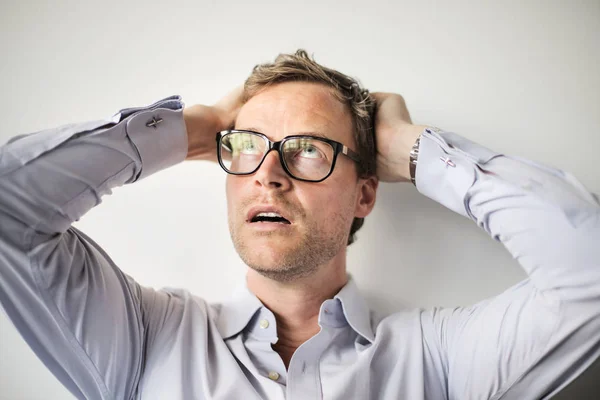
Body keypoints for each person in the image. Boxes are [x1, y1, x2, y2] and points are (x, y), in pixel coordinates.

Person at [0, 49, 598, 400]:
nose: (268, 174)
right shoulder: (144, 340)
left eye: (307, 149)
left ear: (366, 192)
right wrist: (194, 127)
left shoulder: (438, 361)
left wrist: (411, 150)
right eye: (247, 148)